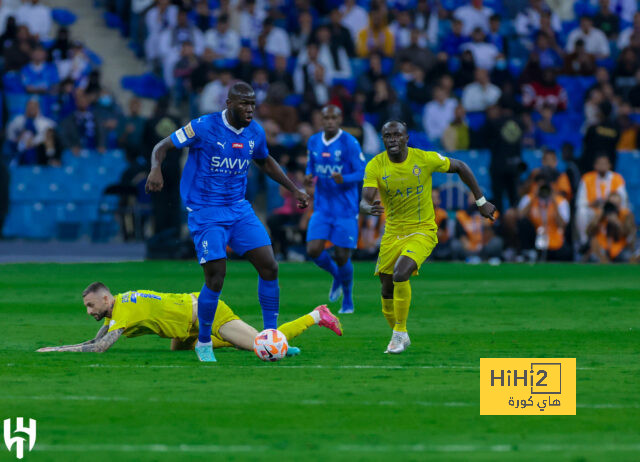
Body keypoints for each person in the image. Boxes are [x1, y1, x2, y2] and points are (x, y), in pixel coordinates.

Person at [145, 82, 310, 363]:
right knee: (216, 276)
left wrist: (294, 188)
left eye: (253, 105)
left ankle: (270, 338)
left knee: (269, 266)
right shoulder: (202, 126)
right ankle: (205, 341)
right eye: (244, 104)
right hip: (206, 211)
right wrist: (155, 169)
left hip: (238, 209)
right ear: (229, 103)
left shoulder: (254, 131)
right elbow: (162, 146)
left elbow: (265, 160)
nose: (250, 109)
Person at [360, 120, 496, 354]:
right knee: (385, 289)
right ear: (383, 140)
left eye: (397, 135)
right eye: (387, 136)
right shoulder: (375, 165)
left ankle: (399, 333)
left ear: (406, 138)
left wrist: (481, 201)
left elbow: (461, 166)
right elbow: (365, 198)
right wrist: (366, 207)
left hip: (422, 229)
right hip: (392, 233)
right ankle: (400, 333)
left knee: (401, 272)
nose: (392, 139)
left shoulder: (424, 158)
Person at [36, 281, 342, 354]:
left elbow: (100, 348)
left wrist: (55, 351)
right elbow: (96, 339)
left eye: (91, 306)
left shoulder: (124, 309)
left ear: (106, 298)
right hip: (184, 326)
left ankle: (317, 315)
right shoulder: (117, 308)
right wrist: (59, 349)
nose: (90, 312)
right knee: (181, 348)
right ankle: (237, 341)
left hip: (205, 313)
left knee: (265, 346)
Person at [304, 105, 365, 314]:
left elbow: (362, 172)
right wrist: (308, 175)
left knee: (342, 255)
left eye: (333, 118)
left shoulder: (349, 142)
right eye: (326, 118)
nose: (329, 121)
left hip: (345, 208)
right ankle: (337, 276)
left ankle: (348, 299)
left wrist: (344, 178)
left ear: (339, 120)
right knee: (313, 250)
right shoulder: (313, 141)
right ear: (321, 120)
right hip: (322, 207)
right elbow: (311, 165)